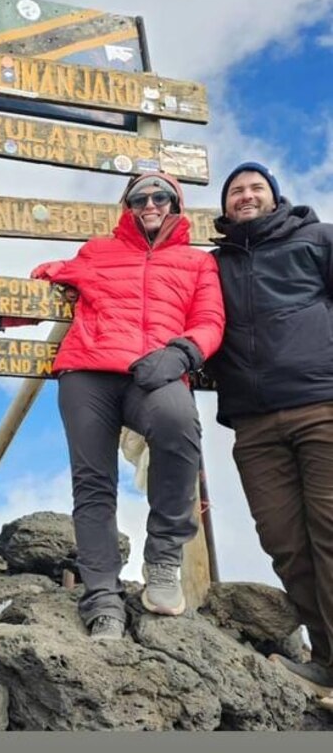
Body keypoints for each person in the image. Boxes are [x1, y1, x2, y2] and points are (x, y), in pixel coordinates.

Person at [0, 172, 224, 640]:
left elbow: (210, 319)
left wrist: (181, 354)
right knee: (93, 483)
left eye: (161, 196)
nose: (151, 203)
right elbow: (51, 290)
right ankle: (102, 600)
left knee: (180, 428)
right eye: (141, 197)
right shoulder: (97, 251)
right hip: (89, 373)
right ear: (128, 205)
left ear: (176, 205)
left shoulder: (197, 264)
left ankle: (163, 561)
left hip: (154, 372)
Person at [208, 161, 333, 696]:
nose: (246, 196)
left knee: (330, 534)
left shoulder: (318, 240)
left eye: (256, 187)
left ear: (276, 197)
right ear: (225, 206)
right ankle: (325, 660)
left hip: (321, 406)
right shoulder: (214, 265)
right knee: (284, 542)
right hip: (253, 423)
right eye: (236, 191)